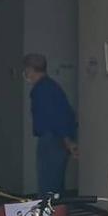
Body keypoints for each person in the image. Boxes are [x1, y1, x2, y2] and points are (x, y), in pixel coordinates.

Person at [23, 53, 77, 196]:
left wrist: (67, 140)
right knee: (56, 185)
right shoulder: (52, 87)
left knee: (48, 186)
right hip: (58, 139)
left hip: (52, 139)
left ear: (29, 69)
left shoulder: (42, 89)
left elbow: (56, 117)